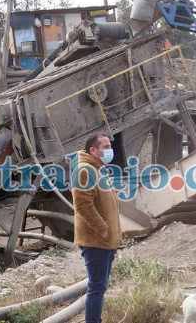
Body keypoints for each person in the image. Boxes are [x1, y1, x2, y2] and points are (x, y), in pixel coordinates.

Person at [72, 133, 122, 323]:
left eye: (110, 146)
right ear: (93, 150)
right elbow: (83, 205)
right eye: (106, 147)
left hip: (104, 240)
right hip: (96, 240)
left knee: (99, 285)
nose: (110, 150)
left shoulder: (98, 169)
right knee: (96, 287)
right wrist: (102, 229)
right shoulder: (85, 170)